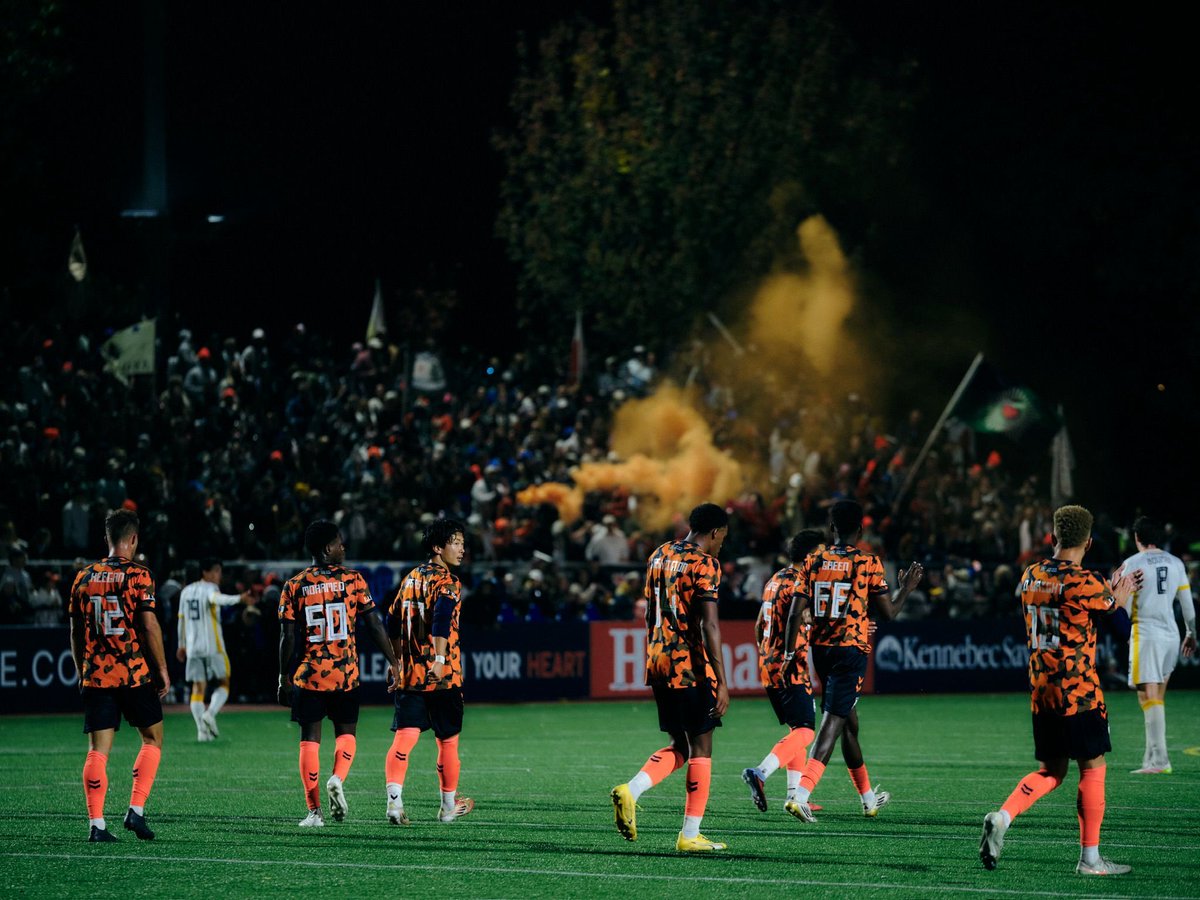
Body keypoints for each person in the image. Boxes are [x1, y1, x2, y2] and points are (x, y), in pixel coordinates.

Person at [979, 504, 1137, 876]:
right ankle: (1090, 859)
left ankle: (1003, 817)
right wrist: (1119, 602)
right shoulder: (1087, 581)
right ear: (1089, 542)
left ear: (1053, 538)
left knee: (1051, 770)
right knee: (1093, 768)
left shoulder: (1031, 575)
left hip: (1041, 689)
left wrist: (1107, 600)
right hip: (1079, 692)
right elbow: (1120, 631)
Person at [781, 500, 923, 823]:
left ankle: (869, 800)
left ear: (832, 529)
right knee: (834, 718)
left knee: (849, 722)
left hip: (822, 649)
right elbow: (888, 614)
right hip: (851, 649)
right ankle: (801, 794)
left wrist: (791, 655)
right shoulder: (869, 562)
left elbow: (794, 613)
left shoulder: (813, 561)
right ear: (860, 530)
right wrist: (907, 589)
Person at [610, 502, 731, 853]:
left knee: (682, 744)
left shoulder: (658, 554)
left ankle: (631, 791)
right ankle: (690, 834)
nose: (722, 542)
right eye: (722, 536)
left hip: (658, 661)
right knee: (702, 746)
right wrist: (722, 680)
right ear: (713, 532)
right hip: (689, 667)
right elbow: (709, 624)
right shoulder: (705, 564)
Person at [277, 520, 400, 828]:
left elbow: (288, 637)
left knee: (309, 740)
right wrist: (393, 661)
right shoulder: (353, 580)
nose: (343, 547)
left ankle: (314, 812)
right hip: (345, 674)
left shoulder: (294, 585)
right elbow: (374, 625)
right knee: (346, 734)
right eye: (339, 543)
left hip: (310, 676)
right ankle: (337, 778)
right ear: (325, 549)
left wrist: (283, 676)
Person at [68, 508, 170, 842]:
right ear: (134, 539)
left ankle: (96, 824)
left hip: (96, 675)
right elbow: (149, 624)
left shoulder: (83, 577)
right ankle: (135, 811)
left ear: (107, 538)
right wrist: (163, 670)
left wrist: (81, 667)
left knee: (98, 750)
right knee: (152, 738)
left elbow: (75, 631)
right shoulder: (139, 575)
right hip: (133, 672)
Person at [383, 518, 474, 826]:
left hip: (410, 675)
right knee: (448, 742)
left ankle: (394, 804)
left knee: (404, 738)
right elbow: (442, 618)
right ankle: (448, 806)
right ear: (438, 547)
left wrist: (395, 662)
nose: (461, 549)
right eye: (456, 543)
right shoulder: (448, 581)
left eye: (462, 543)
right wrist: (437, 657)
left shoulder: (408, 579)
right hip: (443, 674)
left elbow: (391, 622)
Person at [741, 529, 823, 817]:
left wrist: (767, 654)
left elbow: (757, 625)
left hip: (769, 663)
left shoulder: (775, 580)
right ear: (811, 556)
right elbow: (807, 617)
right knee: (806, 731)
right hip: (792, 664)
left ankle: (794, 795)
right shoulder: (803, 583)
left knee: (795, 731)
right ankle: (760, 772)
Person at [1119, 516, 1195, 774]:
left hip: (1146, 631)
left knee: (1148, 696)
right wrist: (1191, 633)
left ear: (1137, 538)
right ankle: (1150, 758)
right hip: (1171, 634)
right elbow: (1186, 603)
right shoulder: (1175, 563)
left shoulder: (1132, 563)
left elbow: (1120, 601)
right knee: (1154, 697)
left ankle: (1161, 760)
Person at [176, 558, 253, 741]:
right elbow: (217, 599)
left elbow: (181, 621)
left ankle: (201, 732)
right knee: (224, 682)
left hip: (193, 648)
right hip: (213, 646)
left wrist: (181, 645)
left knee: (198, 688)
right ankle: (209, 714)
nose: (219, 575)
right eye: (216, 571)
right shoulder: (210, 589)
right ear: (205, 573)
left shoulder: (185, 592)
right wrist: (239, 598)